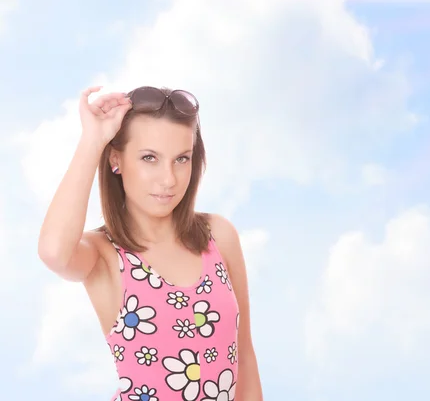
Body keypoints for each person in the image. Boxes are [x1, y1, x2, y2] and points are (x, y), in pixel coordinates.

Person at [38, 85, 263, 401]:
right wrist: (92, 140)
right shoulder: (104, 255)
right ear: (116, 160)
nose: (168, 179)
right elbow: (53, 252)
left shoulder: (218, 236)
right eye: (149, 158)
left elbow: (244, 356)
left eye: (181, 159)